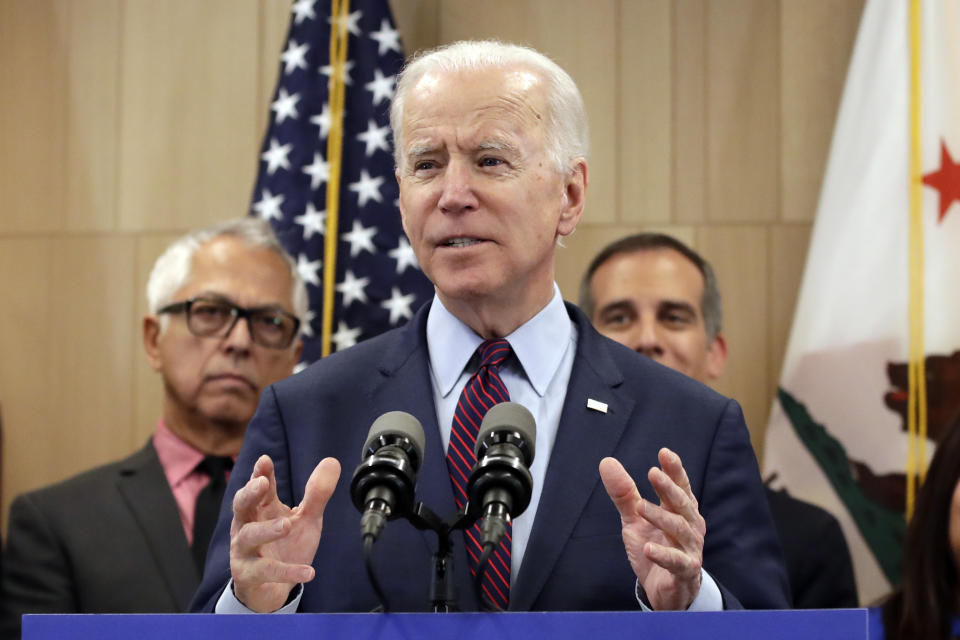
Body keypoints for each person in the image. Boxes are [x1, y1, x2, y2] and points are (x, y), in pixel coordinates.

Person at [192, 40, 789, 615]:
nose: (453, 195)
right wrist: (258, 604)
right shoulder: (305, 416)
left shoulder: (693, 425)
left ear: (570, 195)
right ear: (400, 199)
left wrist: (687, 608)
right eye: (426, 165)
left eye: (490, 161)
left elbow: (772, 630)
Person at [0, 219, 306, 636]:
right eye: (211, 312)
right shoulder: (55, 522)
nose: (239, 341)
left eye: (269, 321)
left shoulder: (324, 519)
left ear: (295, 356)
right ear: (152, 339)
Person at [579, 232, 859, 609]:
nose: (647, 338)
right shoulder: (546, 505)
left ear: (715, 353)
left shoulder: (810, 537)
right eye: (619, 317)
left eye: (673, 318)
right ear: (586, 353)